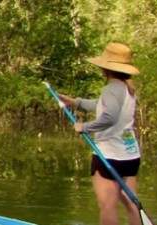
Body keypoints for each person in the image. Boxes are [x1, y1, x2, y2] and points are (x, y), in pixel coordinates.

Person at [57, 43, 143, 225]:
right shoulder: (127, 88)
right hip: (130, 155)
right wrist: (75, 102)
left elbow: (109, 117)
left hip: (109, 156)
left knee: (107, 206)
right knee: (131, 204)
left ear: (108, 68)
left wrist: (85, 127)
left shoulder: (111, 89)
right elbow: (102, 105)